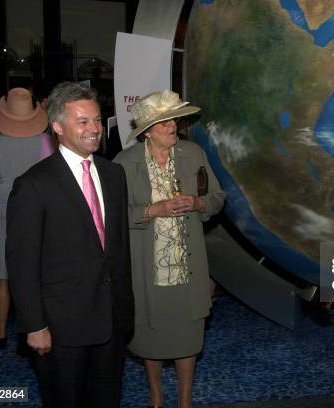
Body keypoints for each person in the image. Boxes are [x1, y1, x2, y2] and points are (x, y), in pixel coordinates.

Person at [6, 82, 134, 407]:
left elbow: (118, 249)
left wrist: (126, 308)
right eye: (83, 121)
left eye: (97, 120)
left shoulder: (114, 174)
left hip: (112, 321)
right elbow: (22, 265)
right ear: (58, 127)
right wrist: (35, 326)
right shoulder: (34, 185)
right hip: (63, 328)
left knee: (106, 399)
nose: (94, 129)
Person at [114, 90, 225, 408]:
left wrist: (198, 202)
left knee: (188, 334)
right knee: (151, 334)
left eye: (173, 119)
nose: (172, 125)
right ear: (147, 130)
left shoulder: (193, 154)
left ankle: (185, 400)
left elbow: (218, 197)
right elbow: (111, 214)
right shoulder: (124, 162)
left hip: (187, 264)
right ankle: (157, 398)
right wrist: (152, 210)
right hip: (147, 266)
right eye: (164, 122)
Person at [0, 87, 54, 349]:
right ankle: (31, 331)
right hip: (41, 215)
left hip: (7, 215)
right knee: (37, 276)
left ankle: (1, 333)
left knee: (4, 277)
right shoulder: (47, 142)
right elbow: (54, 181)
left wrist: (12, 190)